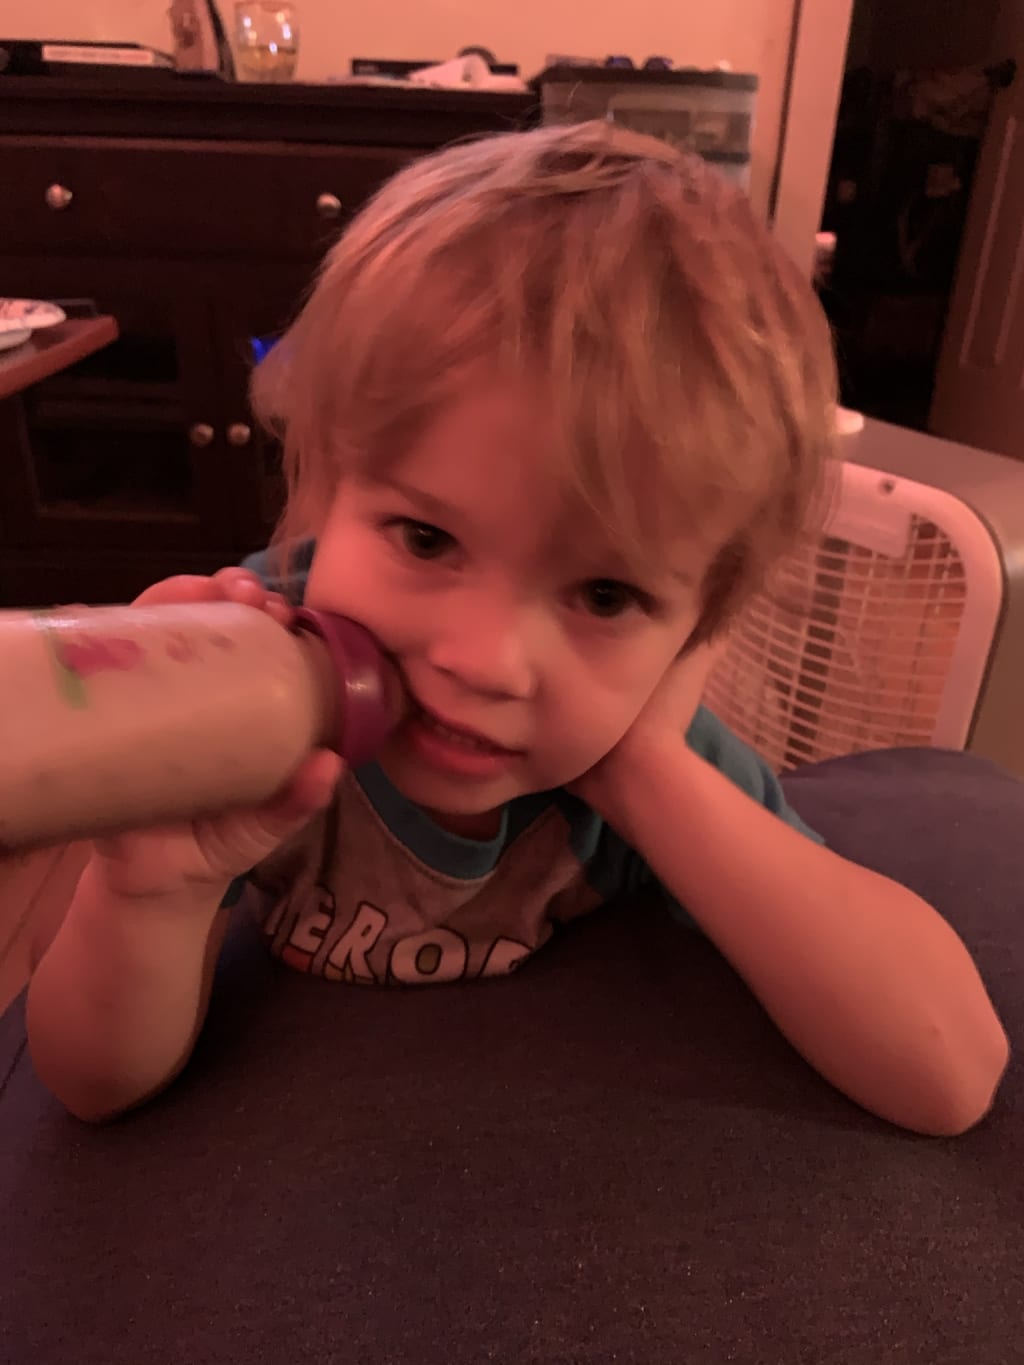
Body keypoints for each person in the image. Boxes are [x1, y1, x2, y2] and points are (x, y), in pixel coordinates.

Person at [25, 122, 1008, 1131]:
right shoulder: (262, 695)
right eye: (426, 538)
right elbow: (92, 1084)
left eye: (605, 596)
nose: (485, 661)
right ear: (324, 489)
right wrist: (152, 891)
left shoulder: (638, 750)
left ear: (692, 632)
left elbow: (950, 1072)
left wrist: (640, 772)